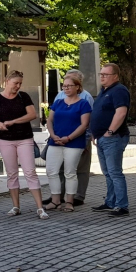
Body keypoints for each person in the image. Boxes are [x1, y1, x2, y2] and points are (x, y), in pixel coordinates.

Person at [0, 71, 47, 219]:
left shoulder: (23, 96)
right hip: (5, 139)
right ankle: (16, 206)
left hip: (24, 138)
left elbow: (32, 115)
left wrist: (13, 121)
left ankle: (40, 208)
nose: (18, 86)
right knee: (12, 173)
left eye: (20, 83)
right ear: (7, 81)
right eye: (15, 83)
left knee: (30, 172)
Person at [44, 69, 95, 206]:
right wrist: (53, 135)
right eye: (64, 86)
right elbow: (50, 120)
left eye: (69, 86)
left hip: (74, 142)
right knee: (52, 171)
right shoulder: (59, 101)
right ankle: (55, 200)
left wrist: (69, 138)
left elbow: (85, 124)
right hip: (55, 141)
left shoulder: (84, 101)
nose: (65, 88)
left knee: (71, 172)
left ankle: (70, 201)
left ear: (77, 86)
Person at [90, 63, 131, 216]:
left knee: (115, 172)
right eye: (101, 74)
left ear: (115, 76)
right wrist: (95, 133)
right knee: (107, 172)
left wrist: (110, 132)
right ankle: (111, 202)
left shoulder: (119, 90)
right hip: (102, 137)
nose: (102, 77)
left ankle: (122, 206)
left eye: (105, 74)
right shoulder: (104, 91)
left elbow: (121, 113)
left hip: (113, 137)